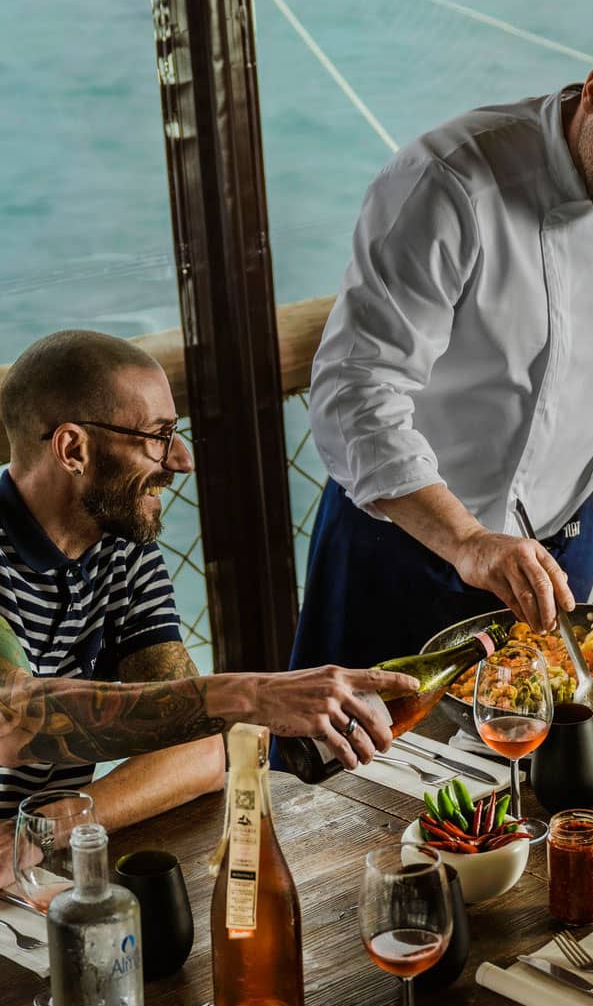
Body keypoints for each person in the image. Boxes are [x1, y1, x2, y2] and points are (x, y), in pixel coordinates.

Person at [292, 15, 593, 675]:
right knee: (352, 769)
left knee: (549, 756)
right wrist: (468, 540)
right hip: (407, 541)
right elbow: (354, 394)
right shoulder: (447, 184)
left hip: (559, 545)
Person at [0, 330, 420, 874]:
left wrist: (53, 828)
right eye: (157, 435)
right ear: (73, 449)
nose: (181, 459)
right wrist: (251, 695)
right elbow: (16, 721)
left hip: (30, 864)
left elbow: (201, 750)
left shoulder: (120, 545)